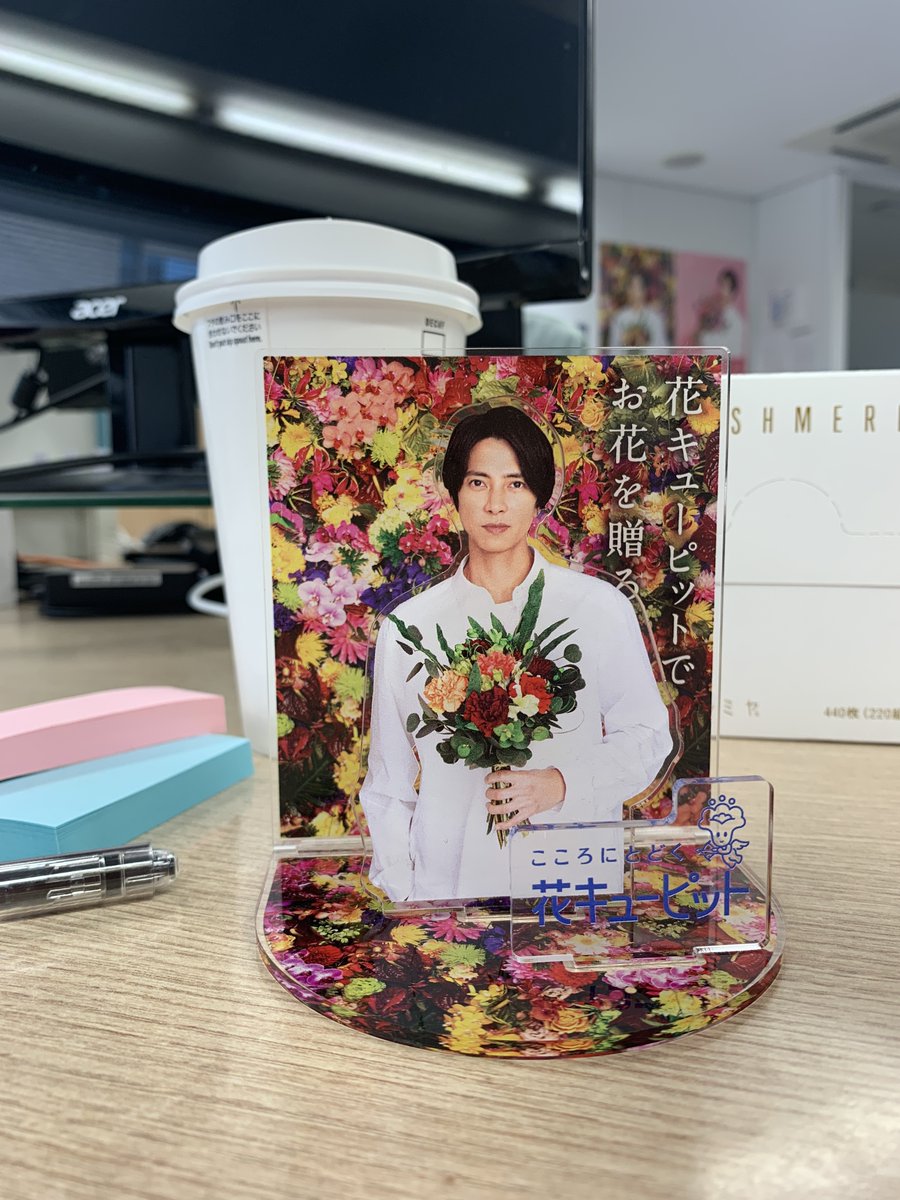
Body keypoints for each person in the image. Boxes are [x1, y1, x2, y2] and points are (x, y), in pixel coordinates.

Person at [359, 405, 673, 901]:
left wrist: (561, 783)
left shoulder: (597, 608)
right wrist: (404, 892)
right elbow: (388, 783)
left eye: (516, 484)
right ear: (454, 494)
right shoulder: (409, 627)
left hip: (568, 878)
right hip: (448, 885)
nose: (495, 505)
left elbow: (648, 737)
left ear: (539, 497)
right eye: (478, 483)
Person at [607, 272, 668, 347]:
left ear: (644, 290)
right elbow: (614, 348)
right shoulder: (619, 318)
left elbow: (662, 347)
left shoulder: (655, 318)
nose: (633, 291)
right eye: (631, 287)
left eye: (637, 287)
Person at [695, 268, 745, 358]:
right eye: (720, 285)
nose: (720, 290)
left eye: (725, 286)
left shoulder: (736, 321)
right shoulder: (715, 315)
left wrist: (703, 336)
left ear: (733, 292)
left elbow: (729, 351)